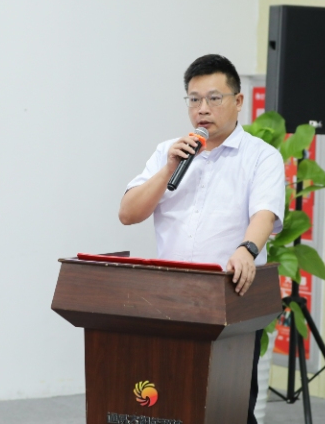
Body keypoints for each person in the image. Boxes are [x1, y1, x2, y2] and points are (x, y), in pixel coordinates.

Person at [119, 54, 285, 423]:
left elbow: (264, 214)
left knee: (229, 406)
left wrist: (247, 249)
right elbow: (128, 213)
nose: (202, 109)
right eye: (194, 99)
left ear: (238, 101)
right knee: (168, 403)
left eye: (214, 98)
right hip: (170, 299)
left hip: (229, 297)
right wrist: (168, 168)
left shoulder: (262, 157)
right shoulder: (169, 152)